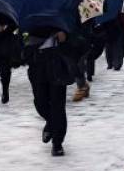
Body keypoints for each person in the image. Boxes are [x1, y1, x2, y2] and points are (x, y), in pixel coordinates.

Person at [24, 26, 84, 156]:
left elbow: (78, 46)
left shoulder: (64, 18)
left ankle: (57, 143)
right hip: (38, 66)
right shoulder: (33, 18)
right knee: (40, 103)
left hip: (57, 66)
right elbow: (24, 50)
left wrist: (65, 38)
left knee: (58, 106)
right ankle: (51, 123)